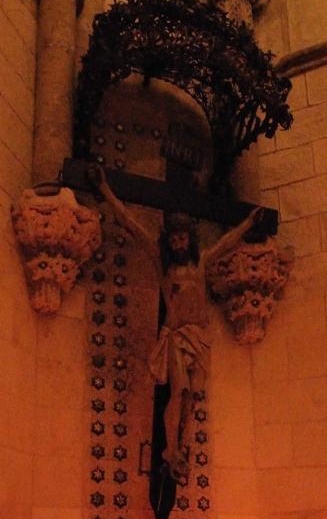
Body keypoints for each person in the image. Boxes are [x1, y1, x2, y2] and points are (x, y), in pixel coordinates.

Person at [87, 164, 262, 480]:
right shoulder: (162, 264)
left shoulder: (201, 262)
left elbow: (228, 242)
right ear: (168, 241)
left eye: (183, 238)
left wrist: (248, 222)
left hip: (200, 337)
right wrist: (105, 190)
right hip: (176, 336)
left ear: (189, 240)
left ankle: (183, 447)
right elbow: (130, 223)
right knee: (179, 390)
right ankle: (170, 450)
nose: (179, 244)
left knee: (193, 397)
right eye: (175, 239)